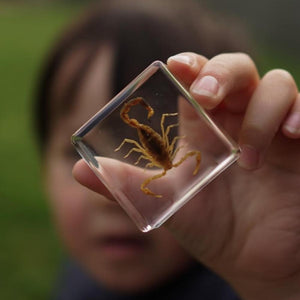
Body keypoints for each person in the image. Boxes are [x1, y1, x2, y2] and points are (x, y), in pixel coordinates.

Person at [36, 0, 300, 299]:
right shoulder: (78, 280)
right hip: (152, 140)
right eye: (79, 153)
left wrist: (284, 287)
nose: (116, 195)